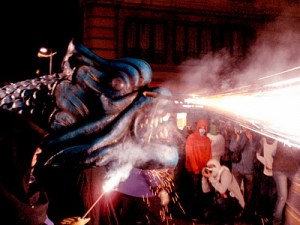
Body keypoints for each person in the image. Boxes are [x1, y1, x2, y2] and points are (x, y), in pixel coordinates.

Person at [0, 109, 54, 225]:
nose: (39, 151)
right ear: (12, 150)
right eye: (29, 145)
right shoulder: (7, 204)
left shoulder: (30, 191)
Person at [201, 159, 245, 225]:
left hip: (237, 203)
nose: (211, 169)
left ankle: (228, 222)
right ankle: (222, 219)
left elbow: (222, 190)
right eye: (209, 167)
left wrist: (210, 178)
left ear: (217, 166)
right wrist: (204, 178)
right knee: (207, 215)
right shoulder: (213, 176)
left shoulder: (225, 173)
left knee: (220, 201)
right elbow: (205, 190)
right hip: (225, 201)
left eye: (212, 166)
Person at [229, 126, 259, 222]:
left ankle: (246, 214)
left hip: (249, 170)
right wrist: (237, 139)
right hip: (237, 168)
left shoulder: (255, 136)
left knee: (248, 195)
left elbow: (257, 151)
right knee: (235, 191)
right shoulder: (236, 134)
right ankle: (236, 212)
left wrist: (251, 140)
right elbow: (232, 148)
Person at [185, 119, 212, 221]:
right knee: (194, 191)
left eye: (204, 128)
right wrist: (195, 169)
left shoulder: (207, 140)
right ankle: (192, 214)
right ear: (197, 128)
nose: (202, 130)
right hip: (193, 170)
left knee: (202, 191)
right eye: (200, 128)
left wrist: (209, 168)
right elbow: (190, 155)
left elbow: (210, 154)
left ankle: (199, 212)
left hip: (203, 170)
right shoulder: (191, 138)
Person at [272, 142, 299, 225]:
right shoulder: (283, 138)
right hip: (280, 169)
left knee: (294, 195)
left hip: (293, 169)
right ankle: (276, 221)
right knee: (283, 197)